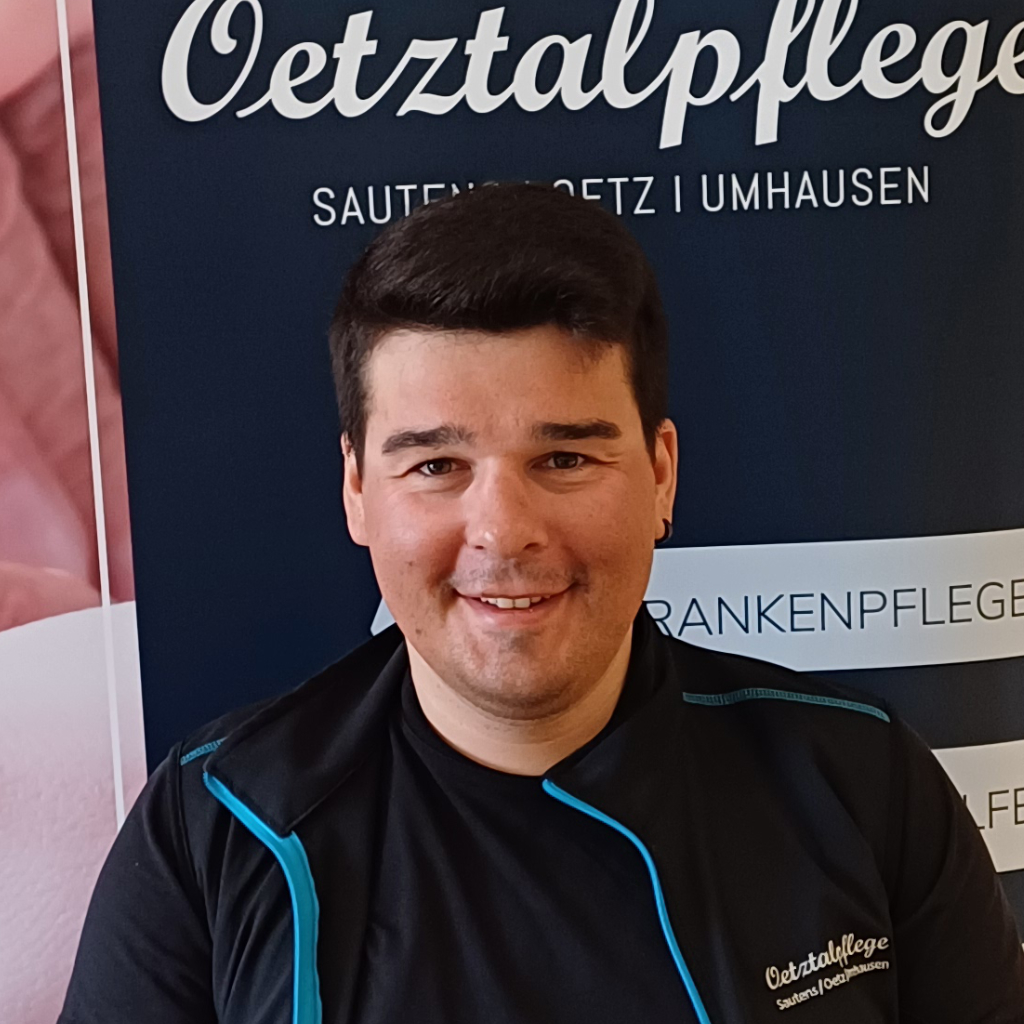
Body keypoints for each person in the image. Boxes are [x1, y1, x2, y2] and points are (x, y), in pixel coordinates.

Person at [59, 183, 1024, 1024]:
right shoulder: (217, 826)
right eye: (436, 465)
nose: (503, 530)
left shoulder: (861, 781)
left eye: (564, 458)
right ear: (356, 490)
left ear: (660, 475)